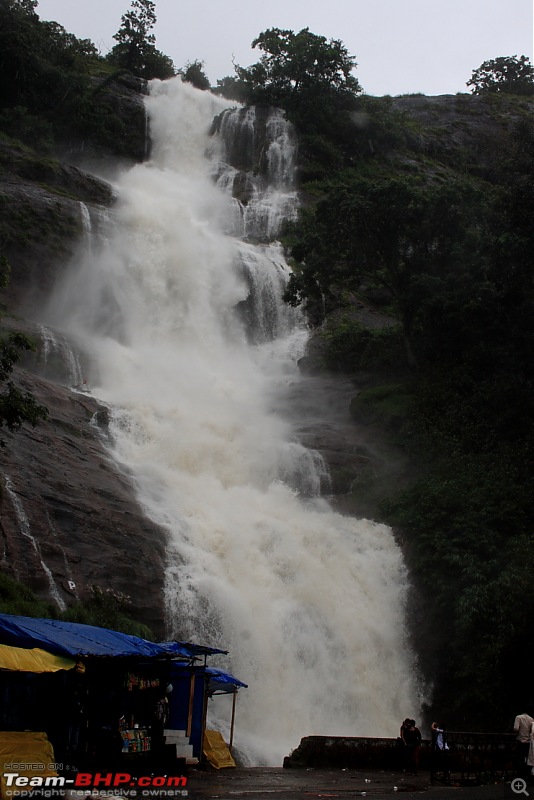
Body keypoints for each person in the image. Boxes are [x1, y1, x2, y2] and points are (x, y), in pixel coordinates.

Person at [514, 712, 534, 777]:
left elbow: (516, 728)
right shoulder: (531, 719)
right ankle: (527, 774)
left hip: (520, 740)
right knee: (528, 759)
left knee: (519, 758)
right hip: (528, 742)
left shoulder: (518, 717)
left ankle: (520, 774)